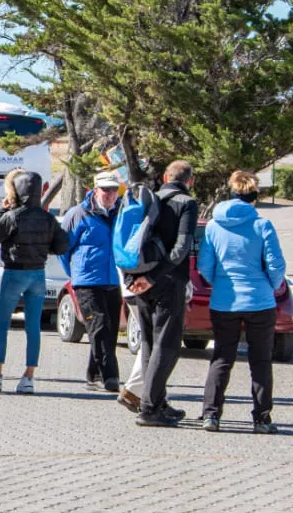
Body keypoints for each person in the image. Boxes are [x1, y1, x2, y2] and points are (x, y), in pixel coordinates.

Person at [197, 170, 284, 434]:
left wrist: (219, 283)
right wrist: (269, 285)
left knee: (222, 357)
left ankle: (211, 414)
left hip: (225, 300)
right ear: (254, 195)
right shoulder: (262, 225)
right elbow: (276, 264)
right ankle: (261, 418)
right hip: (259, 300)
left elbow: (205, 266)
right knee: (260, 360)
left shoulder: (213, 225)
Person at [122, 161, 198, 423]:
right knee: (166, 345)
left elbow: (130, 241)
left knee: (149, 344)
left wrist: (136, 278)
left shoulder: (148, 200)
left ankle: (157, 401)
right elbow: (181, 247)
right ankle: (150, 408)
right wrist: (154, 276)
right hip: (168, 280)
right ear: (191, 181)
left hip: (140, 280)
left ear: (166, 177)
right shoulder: (186, 203)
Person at [0, 171, 69, 394]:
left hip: (14, 272)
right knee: (33, 328)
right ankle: (28, 376)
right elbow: (61, 246)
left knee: (2, 324)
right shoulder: (48, 218)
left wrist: (3, 209)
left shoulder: (13, 215)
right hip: (37, 273)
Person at [59, 170, 123, 395]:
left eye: (114, 190)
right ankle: (110, 376)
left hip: (113, 280)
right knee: (99, 326)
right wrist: (76, 274)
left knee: (110, 329)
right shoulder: (79, 214)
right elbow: (62, 248)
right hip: (87, 281)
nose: (110, 194)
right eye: (105, 189)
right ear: (95, 190)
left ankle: (93, 376)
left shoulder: (121, 212)